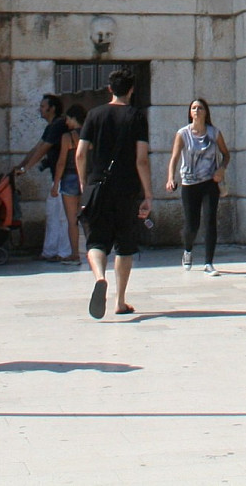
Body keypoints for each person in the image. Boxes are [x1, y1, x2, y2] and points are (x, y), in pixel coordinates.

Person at [76, 68, 152, 319]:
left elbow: (80, 153)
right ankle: (120, 301)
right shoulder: (137, 116)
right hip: (127, 189)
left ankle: (100, 277)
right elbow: (141, 159)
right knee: (125, 245)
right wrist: (148, 194)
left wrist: (83, 183)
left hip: (97, 186)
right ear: (131, 90)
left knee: (96, 240)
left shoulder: (94, 115)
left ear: (110, 89)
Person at [165, 97, 230, 274]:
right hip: (189, 183)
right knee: (191, 224)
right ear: (189, 112)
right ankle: (188, 250)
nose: (196, 111)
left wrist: (221, 169)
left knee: (210, 221)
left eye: (200, 108)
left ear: (206, 112)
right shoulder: (183, 133)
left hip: (210, 182)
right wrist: (171, 178)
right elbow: (175, 158)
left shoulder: (214, 133)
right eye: (193, 108)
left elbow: (226, 154)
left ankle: (209, 263)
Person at [14, 94, 68, 262]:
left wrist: (26, 168)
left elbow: (43, 149)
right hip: (56, 177)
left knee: (62, 216)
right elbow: (36, 148)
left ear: (52, 108)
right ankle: (49, 251)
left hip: (64, 177)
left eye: (43, 106)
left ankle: (64, 252)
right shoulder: (51, 127)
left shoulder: (58, 125)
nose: (40, 109)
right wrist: (19, 166)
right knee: (52, 214)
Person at [50, 104, 87, 265]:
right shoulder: (89, 134)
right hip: (87, 178)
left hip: (70, 178)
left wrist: (55, 183)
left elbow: (61, 162)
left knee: (72, 221)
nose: (66, 122)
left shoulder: (68, 137)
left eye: (68, 118)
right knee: (87, 219)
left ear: (74, 118)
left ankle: (74, 254)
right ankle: (93, 251)